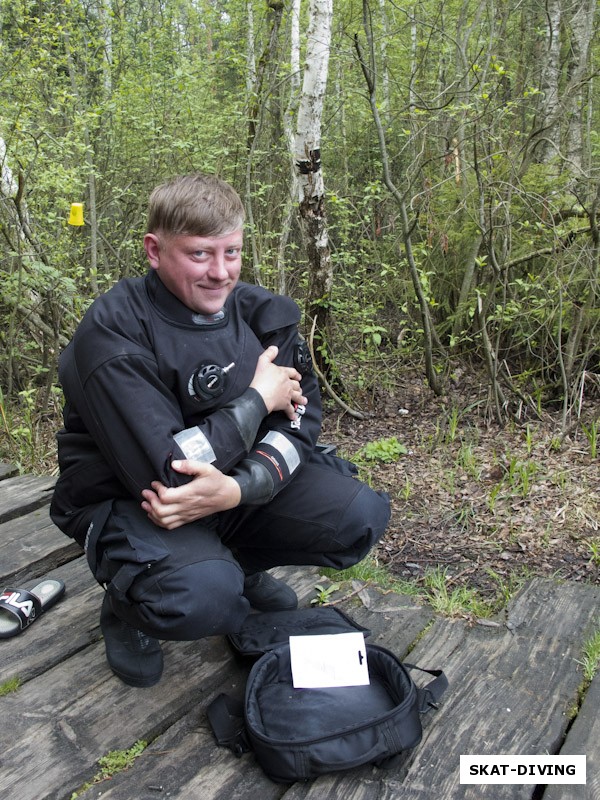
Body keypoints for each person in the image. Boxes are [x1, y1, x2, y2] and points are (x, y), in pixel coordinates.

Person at [50, 173, 390, 688]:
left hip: (231, 487)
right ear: (154, 250)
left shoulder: (263, 316)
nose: (220, 273)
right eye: (200, 255)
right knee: (201, 597)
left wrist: (243, 486)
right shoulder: (113, 333)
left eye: (231, 253)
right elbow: (172, 469)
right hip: (136, 500)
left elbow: (301, 422)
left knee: (357, 515)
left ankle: (237, 562)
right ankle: (127, 601)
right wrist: (256, 400)